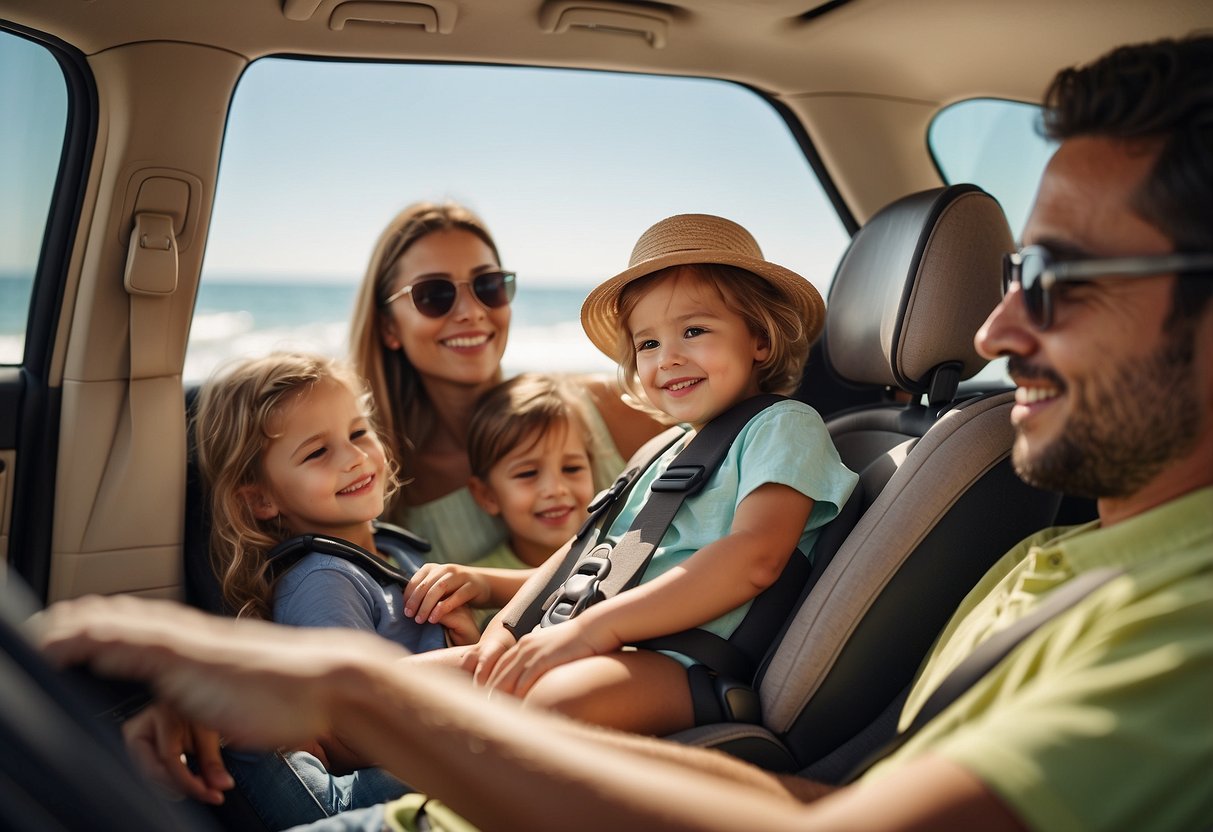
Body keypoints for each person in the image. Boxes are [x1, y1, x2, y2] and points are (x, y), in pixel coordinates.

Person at [33, 34, 1213, 832]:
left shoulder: (1185, 629)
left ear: (760, 341)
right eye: (1009, 272)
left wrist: (364, 687)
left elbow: (756, 613)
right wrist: (387, 671)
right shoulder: (1046, 549)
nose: (1000, 322)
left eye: (1058, 275)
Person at [391, 214, 861, 738]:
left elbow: (754, 557)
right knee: (373, 692)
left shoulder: (782, 426)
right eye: (648, 344)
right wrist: (504, 623)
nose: (669, 358)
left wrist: (596, 628)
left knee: (540, 706)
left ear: (761, 339)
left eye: (694, 330)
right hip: (591, 638)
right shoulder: (663, 448)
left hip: (680, 661)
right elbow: (584, 558)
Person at [190, 352, 478, 827]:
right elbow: (351, 726)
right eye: (317, 452)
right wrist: (476, 668)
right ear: (261, 498)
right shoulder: (322, 577)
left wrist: (463, 641)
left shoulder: (389, 547)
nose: (356, 457)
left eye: (359, 432)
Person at [348, 201, 662, 565]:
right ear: (389, 326)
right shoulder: (377, 486)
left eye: (488, 285)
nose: (472, 311)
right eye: (434, 294)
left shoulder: (607, 406)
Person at [402, 373, 600, 629]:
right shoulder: (465, 588)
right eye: (527, 473)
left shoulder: (618, 543)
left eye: (572, 468)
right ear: (487, 495)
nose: (556, 489)